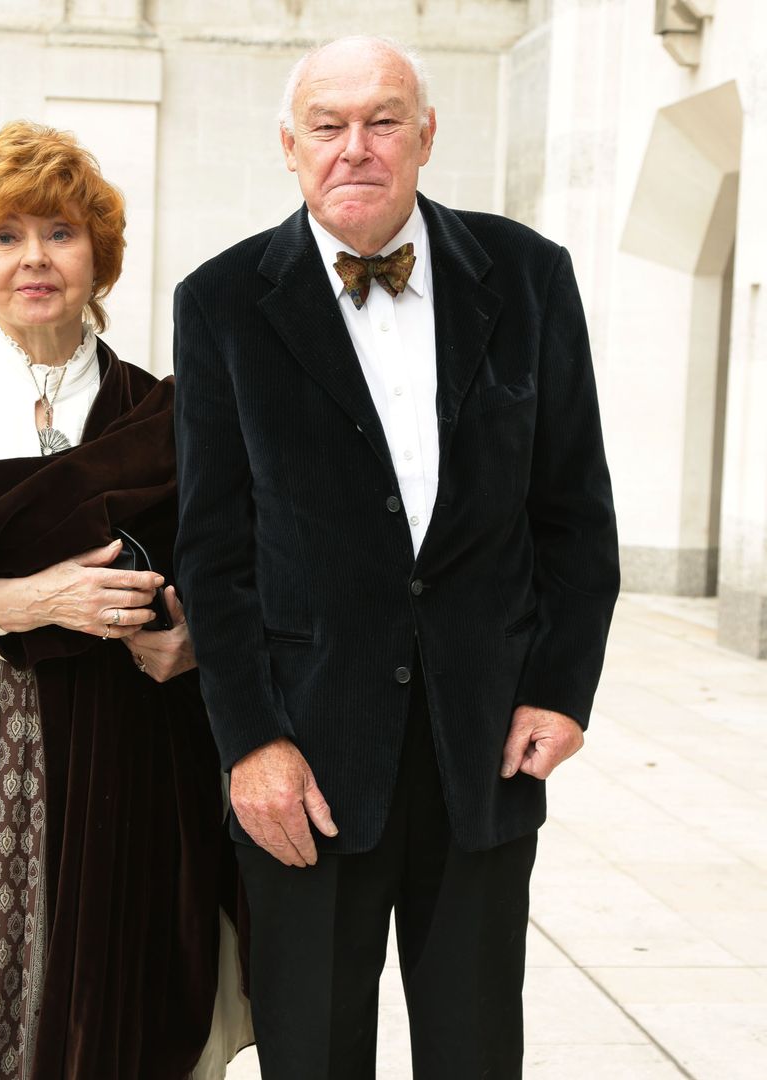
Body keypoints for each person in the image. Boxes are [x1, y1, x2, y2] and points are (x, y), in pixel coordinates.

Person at [173, 34, 620, 1080]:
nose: (356, 148)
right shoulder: (223, 302)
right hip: (308, 762)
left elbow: (575, 512)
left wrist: (561, 691)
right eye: (328, 126)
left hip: (484, 747)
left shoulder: (529, 277)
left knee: (474, 1053)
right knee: (314, 1055)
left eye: (383, 121)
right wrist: (250, 747)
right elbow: (214, 550)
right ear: (290, 147)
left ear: (426, 136)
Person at [0, 121, 250, 1080]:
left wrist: (193, 637)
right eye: (5, 236)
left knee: (120, 998)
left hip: (128, 756)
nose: (35, 258)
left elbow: (231, 564)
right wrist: (24, 601)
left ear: (98, 258)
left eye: (61, 233)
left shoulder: (162, 411)